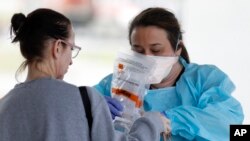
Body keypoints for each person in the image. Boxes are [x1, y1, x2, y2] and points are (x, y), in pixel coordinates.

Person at [0, 8, 170, 141]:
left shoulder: (4, 107)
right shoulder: (84, 100)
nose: (71, 61)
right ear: (58, 47)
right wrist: (153, 122)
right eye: (72, 48)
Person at [94, 7, 244, 141]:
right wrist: (93, 108)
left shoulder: (204, 80)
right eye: (138, 51)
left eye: (156, 50)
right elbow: (76, 110)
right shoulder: (118, 84)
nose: (147, 58)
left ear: (178, 48)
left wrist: (169, 119)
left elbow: (227, 124)